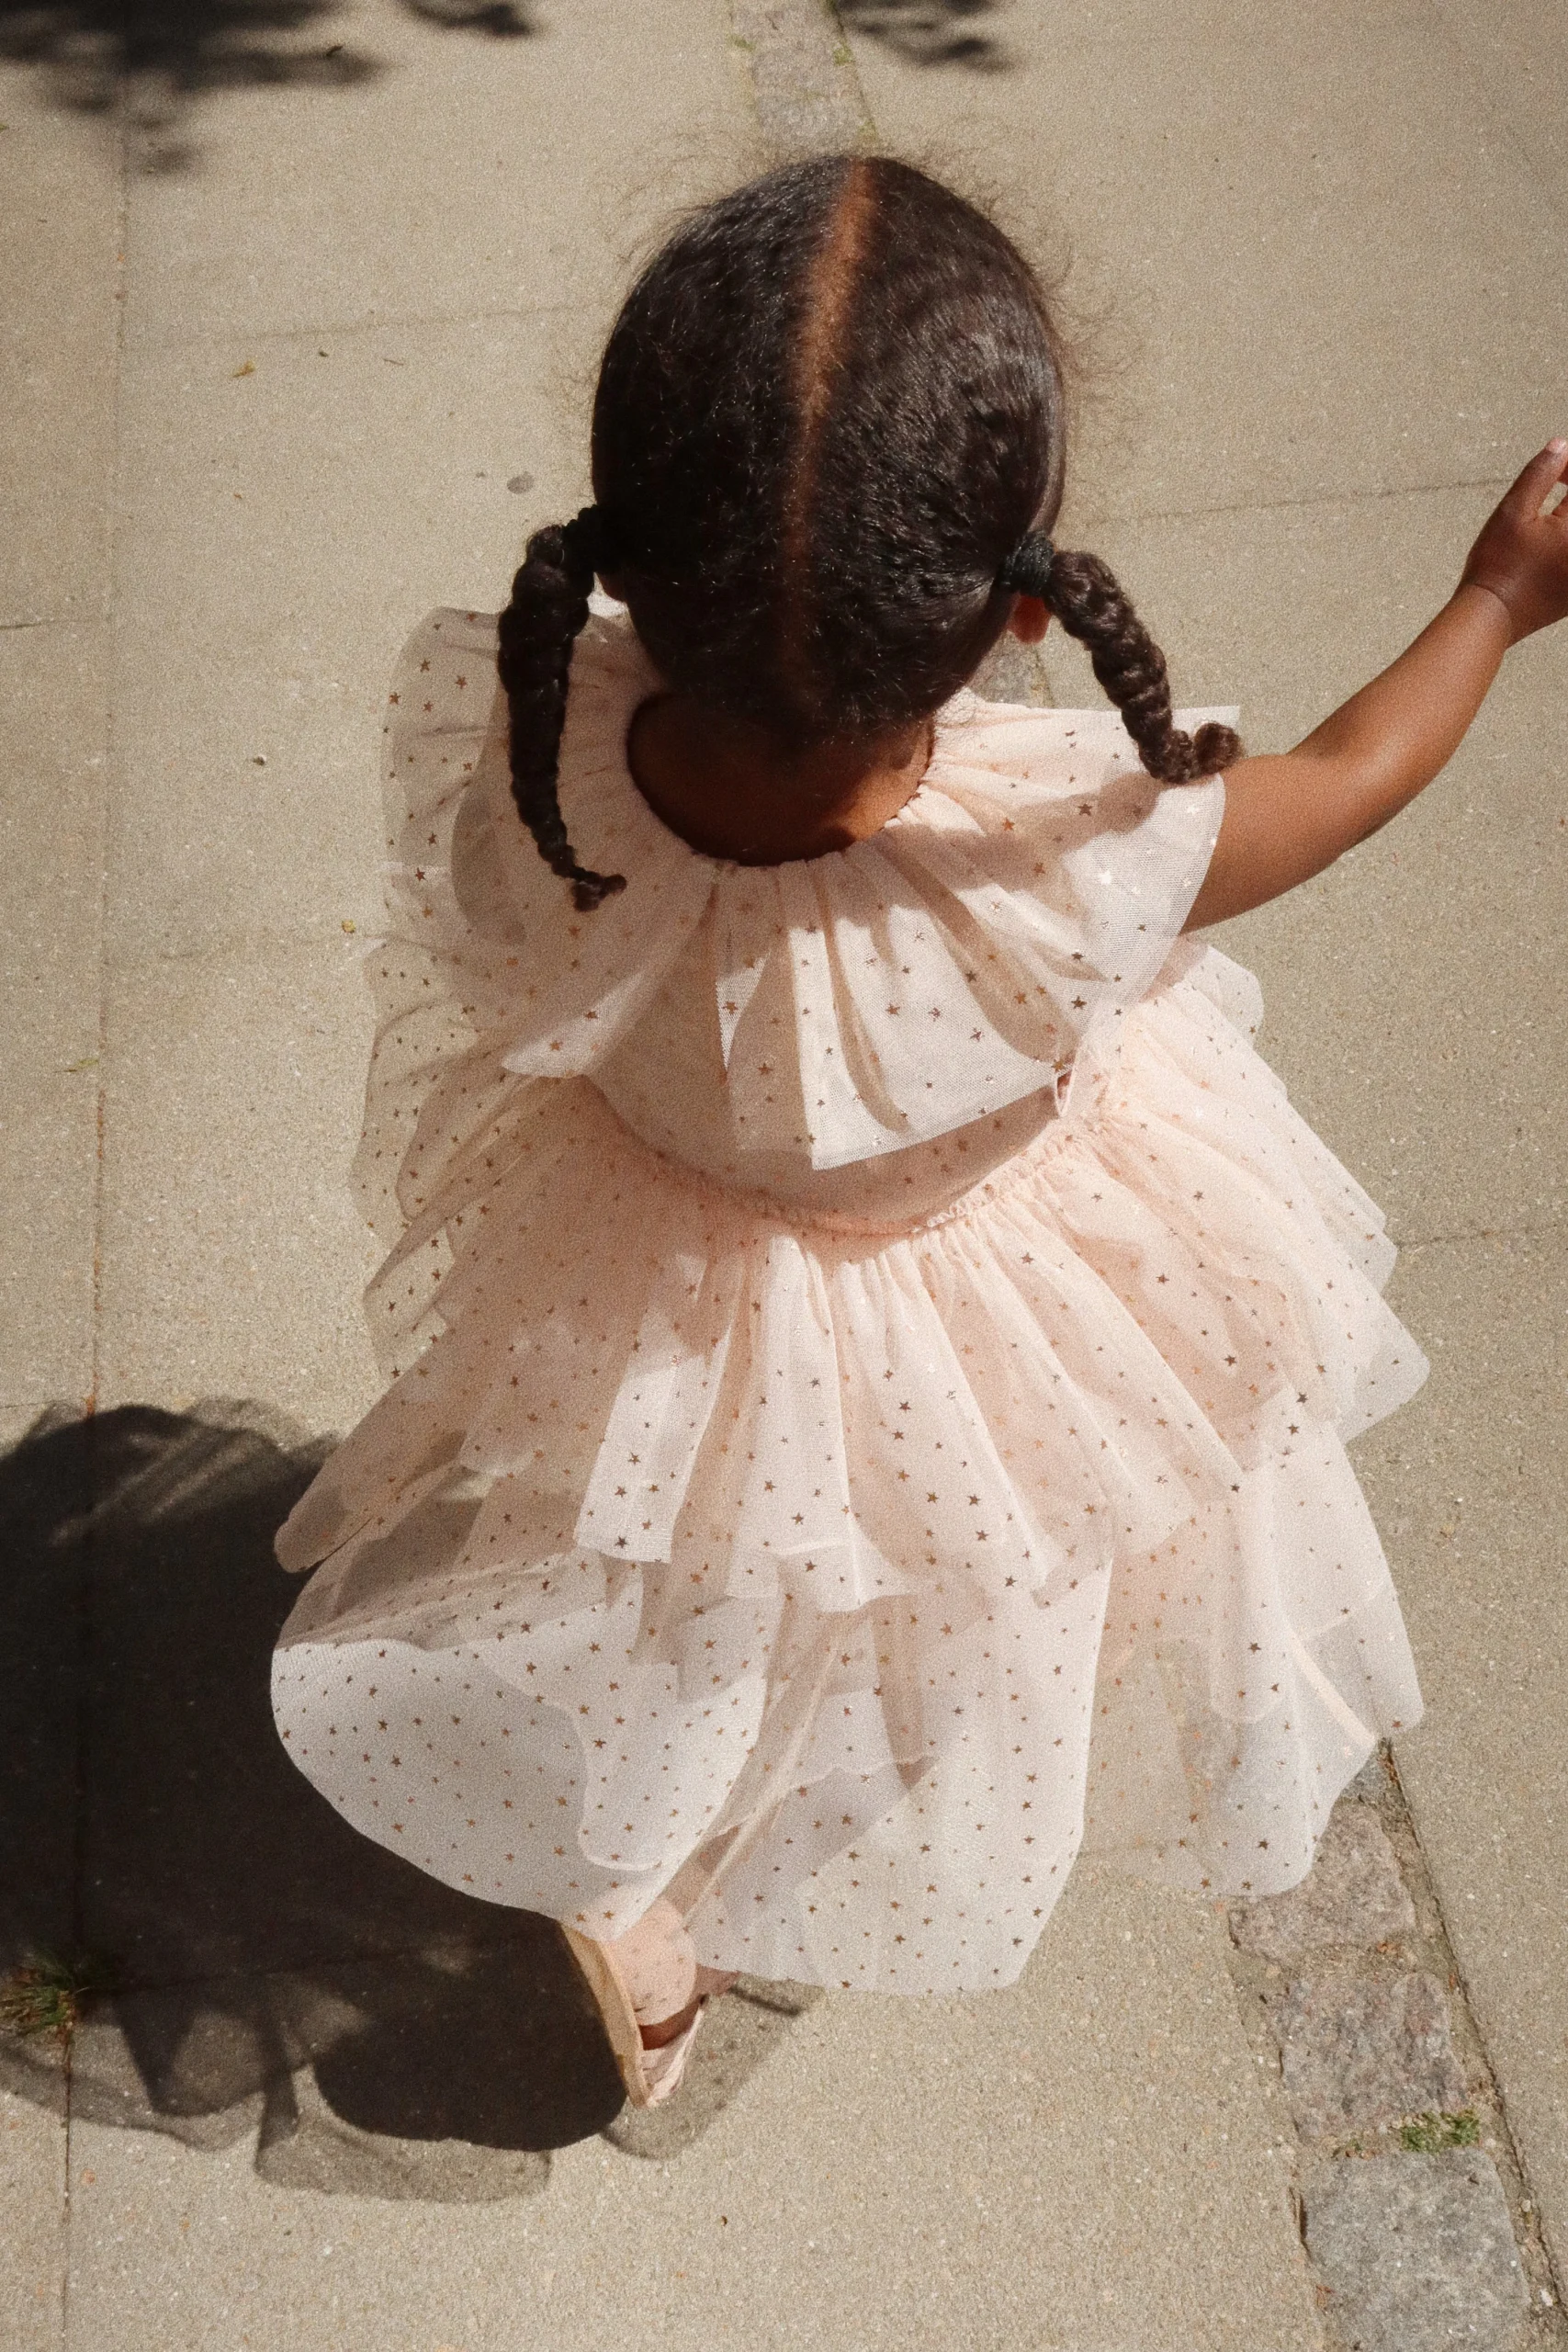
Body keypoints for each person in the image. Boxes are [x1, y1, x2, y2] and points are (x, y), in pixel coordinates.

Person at [270, 155, 1568, 2109]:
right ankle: (768, 1848)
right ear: (1019, 607)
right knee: (951, 1593)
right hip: (971, 1323)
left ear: (633, 547)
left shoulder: (541, 757)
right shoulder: (1068, 859)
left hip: (670, 1287)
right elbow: (1354, 774)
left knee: (689, 1583)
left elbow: (502, 933)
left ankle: (628, 1863)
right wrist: (1495, 597)